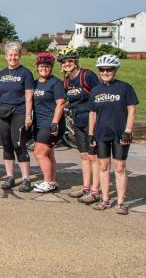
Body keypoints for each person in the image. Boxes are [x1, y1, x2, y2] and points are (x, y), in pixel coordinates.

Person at [89, 55, 138, 215]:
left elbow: (131, 111)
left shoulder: (125, 88)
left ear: (115, 70)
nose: (105, 72)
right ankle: (104, 199)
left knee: (120, 167)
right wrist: (91, 134)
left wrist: (128, 131)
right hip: (101, 134)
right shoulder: (96, 90)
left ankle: (121, 202)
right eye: (102, 70)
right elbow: (92, 114)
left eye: (108, 69)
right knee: (103, 166)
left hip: (120, 134)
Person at [57, 47, 102, 204]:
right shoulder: (67, 81)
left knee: (93, 156)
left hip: (92, 122)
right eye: (64, 62)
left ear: (75, 62)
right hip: (78, 122)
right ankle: (86, 187)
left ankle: (95, 191)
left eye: (70, 61)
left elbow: (99, 95)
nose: (67, 64)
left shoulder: (87, 75)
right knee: (83, 156)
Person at [0, 41, 34, 192]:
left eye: (16, 55)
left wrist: (28, 116)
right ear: (6, 56)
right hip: (2, 113)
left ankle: (26, 179)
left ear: (19, 56)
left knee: (19, 145)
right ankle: (10, 177)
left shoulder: (26, 73)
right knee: (7, 145)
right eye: (10, 55)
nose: (13, 57)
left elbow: (29, 97)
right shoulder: (0, 75)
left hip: (19, 112)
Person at [32, 53, 65, 193]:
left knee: (39, 153)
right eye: (41, 66)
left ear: (51, 68)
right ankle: (52, 181)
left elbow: (61, 103)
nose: (44, 68)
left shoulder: (56, 83)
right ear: (37, 67)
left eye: (47, 66)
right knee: (48, 153)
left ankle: (48, 181)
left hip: (51, 123)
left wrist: (55, 123)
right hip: (38, 123)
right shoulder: (35, 83)